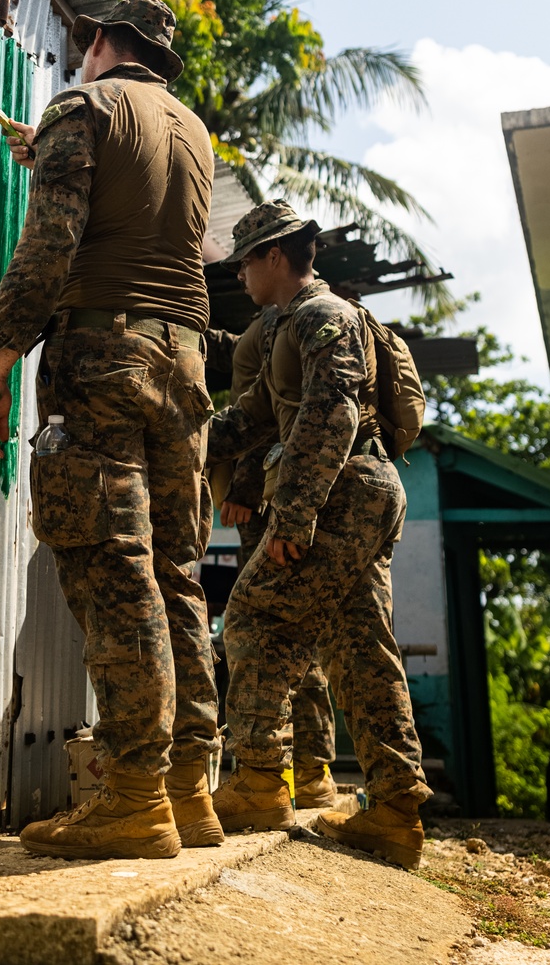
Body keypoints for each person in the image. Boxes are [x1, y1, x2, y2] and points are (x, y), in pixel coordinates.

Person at [0, 0, 222, 861]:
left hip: (104, 354)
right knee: (174, 571)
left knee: (112, 567)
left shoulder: (83, 105)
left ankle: (132, 796)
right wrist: (47, 154)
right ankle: (190, 791)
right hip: (184, 366)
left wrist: (0, 358)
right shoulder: (193, 130)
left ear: (103, 43)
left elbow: (54, 241)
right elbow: (136, 208)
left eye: (84, 44)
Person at [205, 201, 431, 870]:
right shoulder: (284, 327)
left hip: (343, 493)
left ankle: (260, 780)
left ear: (275, 256)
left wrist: (296, 511)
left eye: (247, 260)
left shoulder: (323, 316)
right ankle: (395, 807)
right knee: (360, 645)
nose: (242, 273)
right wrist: (189, 439)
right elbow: (253, 414)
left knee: (250, 618)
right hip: (356, 489)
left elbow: (334, 409)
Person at [205, 313, 338, 809]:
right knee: (300, 629)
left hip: (271, 502)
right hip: (288, 498)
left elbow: (267, 418)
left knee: (269, 627)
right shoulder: (273, 330)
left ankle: (278, 774)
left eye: (247, 262)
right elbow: (226, 347)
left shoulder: (284, 329)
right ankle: (312, 769)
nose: (240, 273)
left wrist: (241, 487)